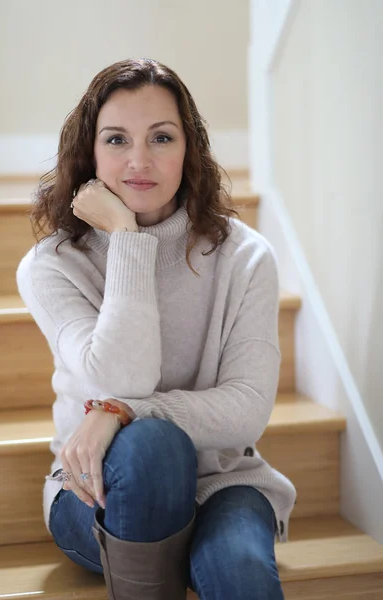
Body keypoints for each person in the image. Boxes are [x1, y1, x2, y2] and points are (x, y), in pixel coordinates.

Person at [16, 57, 296, 600]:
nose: (139, 160)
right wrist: (126, 236)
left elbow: (246, 408)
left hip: (222, 484)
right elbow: (125, 372)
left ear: (188, 148)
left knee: (238, 568)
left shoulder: (245, 257)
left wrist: (123, 411)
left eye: (161, 138)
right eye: (117, 139)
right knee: (152, 449)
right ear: (89, 153)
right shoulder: (52, 265)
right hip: (96, 488)